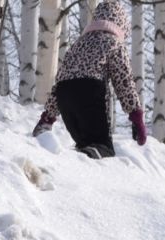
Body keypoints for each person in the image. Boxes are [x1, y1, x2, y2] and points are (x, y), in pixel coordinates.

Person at [30, 0, 147, 159]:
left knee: (86, 145)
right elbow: (124, 82)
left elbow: (61, 80)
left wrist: (47, 118)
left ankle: (79, 162)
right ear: (121, 25)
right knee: (102, 146)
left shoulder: (78, 45)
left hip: (65, 97)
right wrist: (136, 116)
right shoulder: (114, 42)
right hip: (88, 92)